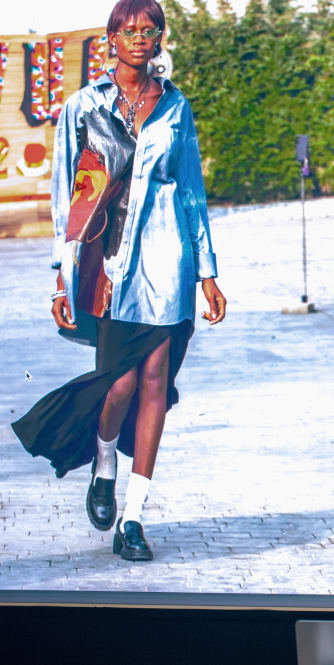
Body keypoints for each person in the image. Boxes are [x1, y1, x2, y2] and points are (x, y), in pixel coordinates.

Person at [11, 0, 225, 562]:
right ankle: (104, 467)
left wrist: (207, 273)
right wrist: (62, 279)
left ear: (159, 39)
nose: (139, 37)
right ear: (112, 38)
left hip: (170, 260)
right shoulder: (83, 107)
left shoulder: (177, 108)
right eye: (128, 29)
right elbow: (70, 200)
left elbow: (192, 192)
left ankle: (133, 517)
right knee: (120, 385)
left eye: (149, 29)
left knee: (155, 380)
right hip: (109, 266)